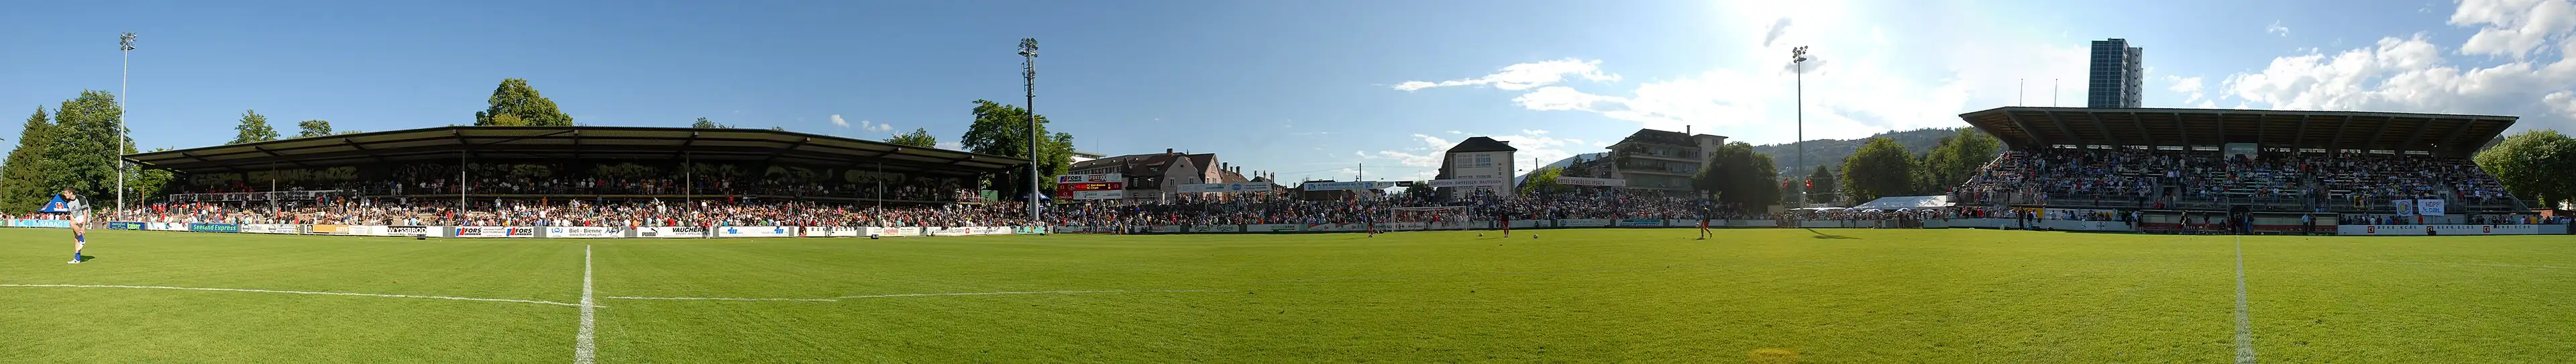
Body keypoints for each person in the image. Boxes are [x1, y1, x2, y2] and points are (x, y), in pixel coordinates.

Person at [62, 189, 89, 264]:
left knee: (73, 225)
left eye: (66, 193)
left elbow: (85, 212)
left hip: (85, 217)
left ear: (71, 193)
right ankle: (77, 259)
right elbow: (71, 215)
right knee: (76, 239)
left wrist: (83, 227)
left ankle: (82, 240)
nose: (65, 194)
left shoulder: (81, 198)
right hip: (77, 219)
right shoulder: (67, 202)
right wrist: (73, 226)